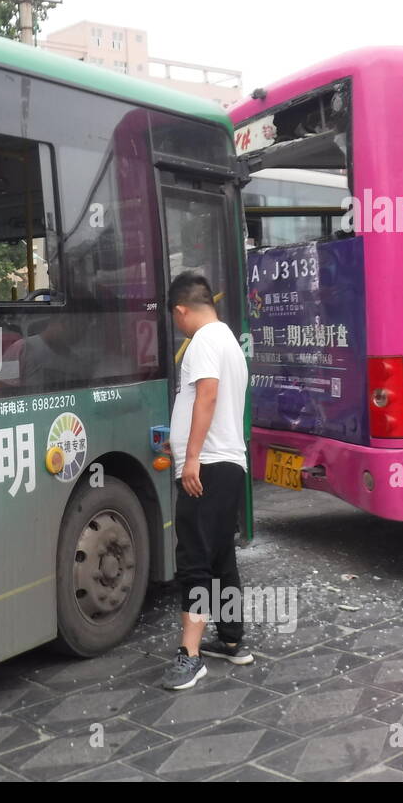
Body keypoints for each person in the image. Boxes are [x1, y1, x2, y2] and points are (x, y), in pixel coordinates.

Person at [157, 272, 252, 690]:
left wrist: (191, 457)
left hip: (207, 465)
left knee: (194, 558)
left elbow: (207, 395)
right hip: (228, 463)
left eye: (175, 318)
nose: (177, 326)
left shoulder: (202, 343)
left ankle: (190, 656)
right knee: (220, 557)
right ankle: (232, 640)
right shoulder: (228, 340)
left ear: (181, 310)